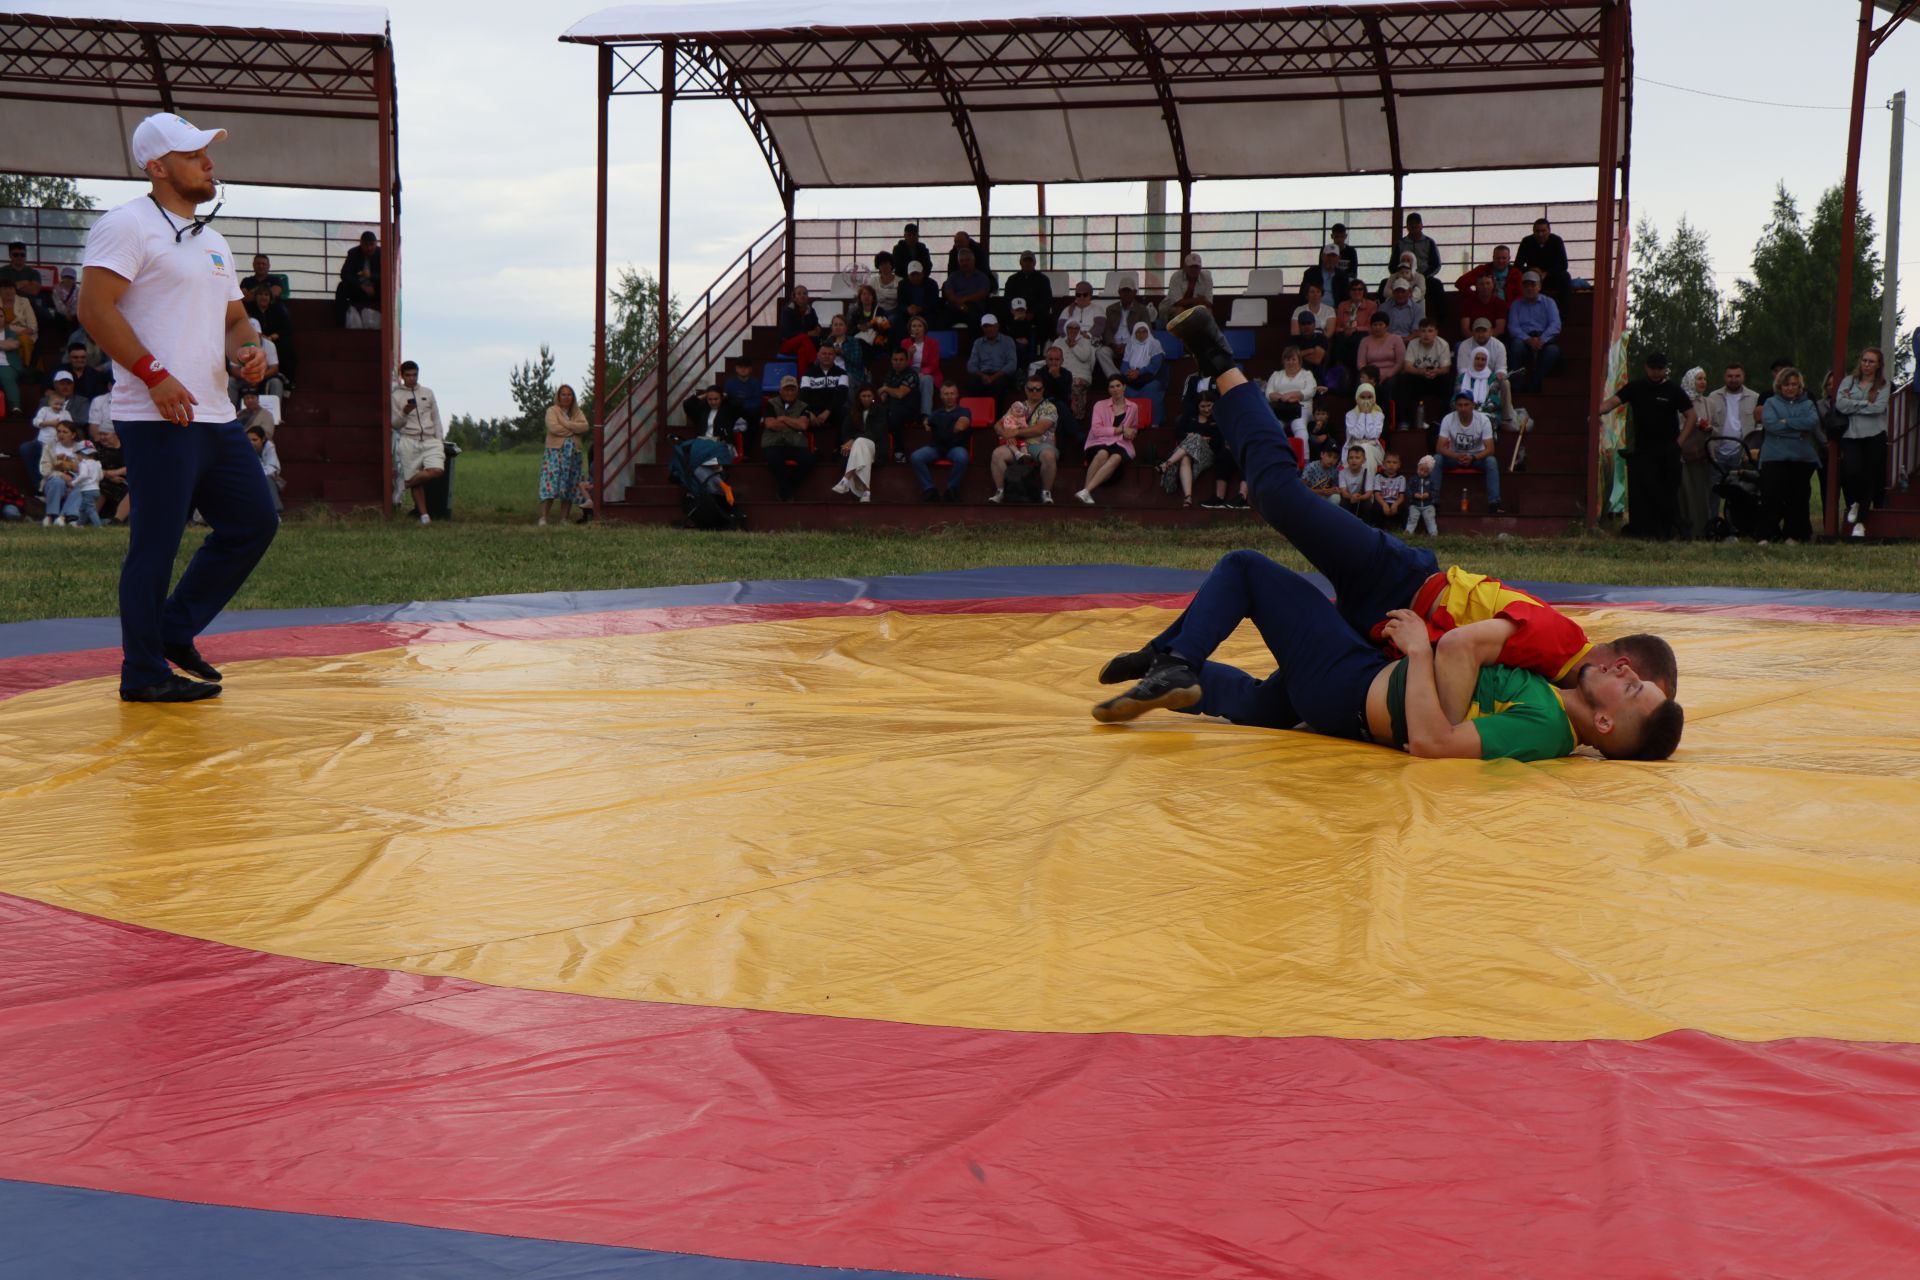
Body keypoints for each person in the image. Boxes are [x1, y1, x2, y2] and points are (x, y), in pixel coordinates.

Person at [1099, 306, 1684, 759]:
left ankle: (1171, 664)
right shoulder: (1560, 644)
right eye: (1632, 674)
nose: (1621, 675)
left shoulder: (1555, 705)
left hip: (1386, 637)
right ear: (1621, 655)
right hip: (1400, 587)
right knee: (1279, 496)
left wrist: (1419, 675)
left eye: (1632, 689)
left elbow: (1445, 711)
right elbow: (1457, 660)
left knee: (1274, 703)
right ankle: (1218, 359)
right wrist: (1422, 671)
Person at [78, 111, 278, 702]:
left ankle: (172, 629)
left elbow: (234, 320)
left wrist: (249, 352)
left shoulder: (213, 241)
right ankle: (142, 674)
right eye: (194, 155)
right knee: (156, 543)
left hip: (214, 413)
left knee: (253, 523)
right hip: (156, 414)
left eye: (206, 153)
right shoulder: (127, 225)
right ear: (158, 167)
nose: (209, 163)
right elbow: (95, 309)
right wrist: (154, 375)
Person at [1595, 351, 1692, 540]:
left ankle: (1671, 530)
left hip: (1668, 451)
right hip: (1644, 451)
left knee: (1668, 492)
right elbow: (1611, 403)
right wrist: (1595, 412)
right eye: (1652, 368)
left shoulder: (1674, 390)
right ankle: (1645, 531)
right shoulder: (1635, 387)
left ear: (1665, 369)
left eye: (1660, 369)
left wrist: (1679, 442)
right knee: (1646, 491)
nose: (1656, 372)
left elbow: (1691, 416)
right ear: (1646, 368)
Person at [1757, 366, 1820, 544]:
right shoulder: (1770, 403)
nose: (1790, 388)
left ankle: (1793, 535)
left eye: (1794, 384)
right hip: (1774, 457)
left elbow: (1811, 422)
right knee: (1771, 495)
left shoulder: (1808, 404)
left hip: (1801, 458)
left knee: (1797, 497)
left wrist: (1786, 422)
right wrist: (1797, 430)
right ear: (1780, 386)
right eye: (1786, 385)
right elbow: (1770, 425)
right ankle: (1766, 534)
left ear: (1799, 386)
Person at [1834, 346, 1890, 538]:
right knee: (1850, 471)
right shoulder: (1849, 382)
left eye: (1871, 361)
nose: (1867, 364)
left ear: (1878, 365)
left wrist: (1854, 404)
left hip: (1874, 435)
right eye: (1864, 360)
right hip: (1851, 434)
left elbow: (1879, 408)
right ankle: (1853, 503)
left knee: (1869, 476)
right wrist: (1866, 403)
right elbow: (1840, 404)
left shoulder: (1883, 384)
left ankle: (1861, 521)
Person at [987, 379, 1059, 506]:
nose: (1034, 392)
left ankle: (1046, 493)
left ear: (1043, 390)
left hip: (1040, 445)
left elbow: (1040, 429)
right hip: (1017, 445)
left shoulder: (1049, 407)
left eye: (1038, 389)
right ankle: (1001, 491)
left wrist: (1015, 432)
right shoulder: (1017, 406)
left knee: (1049, 455)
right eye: (1031, 389)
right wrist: (1006, 434)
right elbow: (998, 425)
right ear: (1025, 390)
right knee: (997, 454)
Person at [390, 361, 445, 524]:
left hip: (430, 439)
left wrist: (439, 440)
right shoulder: (396, 396)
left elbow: (436, 417)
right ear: (402, 375)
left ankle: (403, 484)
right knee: (417, 481)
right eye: (408, 375)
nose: (412, 378)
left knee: (437, 470)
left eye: (415, 375)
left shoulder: (427, 392)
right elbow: (395, 424)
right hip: (409, 439)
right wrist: (404, 413)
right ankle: (424, 516)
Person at [1437, 391, 1502, 514]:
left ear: (1473, 405)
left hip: (1476, 457)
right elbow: (1440, 447)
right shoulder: (1448, 419)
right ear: (1455, 406)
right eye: (1459, 405)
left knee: (1491, 461)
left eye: (1466, 405)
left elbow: (1490, 449)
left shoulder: (1483, 420)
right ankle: (1433, 501)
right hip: (1455, 456)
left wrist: (1473, 457)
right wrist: (1457, 456)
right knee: (1437, 459)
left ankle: (1494, 503)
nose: (1462, 408)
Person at [1079, 375, 1138, 505]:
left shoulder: (1133, 407)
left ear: (1124, 387)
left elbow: (1133, 427)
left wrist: (1131, 432)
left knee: (1117, 457)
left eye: (1118, 386)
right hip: (1098, 442)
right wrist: (1120, 430)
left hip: (1120, 443)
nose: (1115, 389)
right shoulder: (1099, 405)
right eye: (1112, 387)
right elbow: (1096, 430)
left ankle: (1086, 490)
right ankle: (1086, 491)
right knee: (1102, 453)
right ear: (1108, 390)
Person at [1675, 366, 1717, 541]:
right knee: (1684, 493)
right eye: (1699, 379)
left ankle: (1700, 530)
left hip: (1702, 454)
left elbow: (1716, 427)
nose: (1703, 382)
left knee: (1701, 493)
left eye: (1705, 379)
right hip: (1683, 455)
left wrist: (1708, 427)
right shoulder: (1679, 402)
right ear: (1690, 381)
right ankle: (1682, 530)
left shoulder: (1709, 403)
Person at [912, 382, 973, 502]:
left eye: (952, 394)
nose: (949, 397)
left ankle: (951, 489)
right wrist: (931, 423)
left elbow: (961, 426)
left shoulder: (964, 411)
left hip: (955, 447)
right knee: (916, 457)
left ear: (957, 395)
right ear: (941, 396)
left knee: (962, 457)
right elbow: (927, 423)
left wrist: (940, 426)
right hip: (937, 447)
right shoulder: (935, 413)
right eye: (946, 394)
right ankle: (929, 489)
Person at [1159, 390, 1219, 509]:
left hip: (1207, 455)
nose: (1206, 409)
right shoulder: (1189, 416)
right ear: (1197, 406)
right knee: (1185, 457)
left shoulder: (1218, 418)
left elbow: (1220, 441)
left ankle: (1166, 464)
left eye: (1209, 405)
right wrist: (1188, 436)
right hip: (1187, 452)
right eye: (1203, 406)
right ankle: (1188, 497)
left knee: (1196, 437)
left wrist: (1203, 439)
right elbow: (1179, 433)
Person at [540, 383, 590, 525]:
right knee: (550, 484)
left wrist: (565, 424)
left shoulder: (577, 412)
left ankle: (564, 518)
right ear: (558, 396)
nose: (566, 397)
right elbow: (554, 428)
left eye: (569, 394)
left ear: (573, 397)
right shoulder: (552, 411)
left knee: (569, 484)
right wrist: (573, 430)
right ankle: (543, 518)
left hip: (573, 453)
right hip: (555, 453)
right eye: (563, 394)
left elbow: (585, 426)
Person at [761, 375, 815, 501]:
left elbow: (802, 425)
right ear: (780, 390)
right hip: (774, 443)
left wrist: (783, 418)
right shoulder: (771, 404)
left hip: (796, 443)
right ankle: (787, 491)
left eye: (792, 389)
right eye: (786, 389)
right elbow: (771, 424)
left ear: (797, 391)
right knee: (773, 459)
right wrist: (793, 424)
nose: (789, 392)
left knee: (809, 459)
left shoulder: (804, 406)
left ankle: (786, 489)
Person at [1506, 271, 1562, 391]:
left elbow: (1555, 324)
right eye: (1526, 285)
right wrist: (1528, 339)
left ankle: (1534, 383)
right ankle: (1515, 385)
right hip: (1524, 339)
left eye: (1533, 284)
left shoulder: (1549, 302)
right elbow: (1513, 327)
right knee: (1516, 346)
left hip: (1544, 339)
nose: (1529, 288)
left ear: (1539, 286)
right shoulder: (1516, 305)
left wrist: (1541, 340)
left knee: (1553, 351)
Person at [830, 385, 887, 503]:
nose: (866, 398)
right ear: (859, 398)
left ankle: (845, 480)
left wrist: (854, 440)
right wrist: (849, 441)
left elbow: (876, 432)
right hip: (859, 449)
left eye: (869, 396)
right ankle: (867, 492)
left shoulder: (881, 410)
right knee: (860, 445)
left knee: (860, 442)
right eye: (863, 396)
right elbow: (845, 432)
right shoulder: (852, 412)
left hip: (875, 446)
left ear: (873, 397)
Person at [1397, 318, 1453, 431]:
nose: (1426, 334)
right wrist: (1421, 371)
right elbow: (1407, 367)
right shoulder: (1413, 344)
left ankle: (1443, 421)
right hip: (1419, 378)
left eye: (1430, 331)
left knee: (1447, 381)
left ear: (1436, 332)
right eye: (1423, 331)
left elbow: (1446, 368)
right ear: (1418, 332)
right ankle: (1404, 421)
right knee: (1404, 380)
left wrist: (1436, 371)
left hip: (1436, 377)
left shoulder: (1443, 344)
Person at [244, 278, 296, 386]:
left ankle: (286, 380)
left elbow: (286, 327)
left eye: (266, 295)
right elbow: (247, 326)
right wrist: (262, 337)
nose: (263, 297)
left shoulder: (278, 308)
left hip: (275, 338)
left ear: (270, 298)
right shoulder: (250, 309)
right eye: (260, 295)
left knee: (286, 347)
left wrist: (272, 337)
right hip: (256, 339)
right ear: (256, 297)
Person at [965, 313, 1019, 413]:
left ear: (997, 326)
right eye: (986, 326)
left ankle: (996, 416)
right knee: (973, 382)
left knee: (999, 384)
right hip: (983, 374)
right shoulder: (978, 343)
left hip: (1001, 374)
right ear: (982, 328)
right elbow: (971, 365)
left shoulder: (1007, 341)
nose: (989, 329)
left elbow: (1012, 364)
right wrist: (982, 376)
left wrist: (993, 377)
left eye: (991, 326)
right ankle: (975, 415)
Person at [799, 343, 850, 446]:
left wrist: (827, 411)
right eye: (824, 353)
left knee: (846, 415)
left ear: (835, 356)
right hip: (813, 410)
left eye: (830, 354)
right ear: (818, 355)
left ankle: (839, 448)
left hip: (833, 410)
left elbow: (841, 396)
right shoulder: (808, 374)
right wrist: (809, 412)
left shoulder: (842, 373)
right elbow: (803, 396)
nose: (827, 356)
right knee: (802, 415)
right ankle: (812, 448)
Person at [1114, 321, 1166, 423]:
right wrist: (1128, 373)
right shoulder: (1130, 343)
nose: (1141, 334)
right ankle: (1127, 422)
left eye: (1144, 331)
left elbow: (1155, 365)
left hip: (1149, 377)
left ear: (1148, 332)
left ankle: (1153, 422)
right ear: (1134, 333)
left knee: (1151, 388)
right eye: (1138, 332)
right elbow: (1124, 364)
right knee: (1122, 388)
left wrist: (1139, 372)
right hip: (1132, 376)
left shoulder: (1154, 343)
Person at [1098, 282, 1152, 377]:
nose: (1126, 294)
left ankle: (1129, 378)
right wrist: (1113, 344)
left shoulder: (1142, 310)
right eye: (1124, 291)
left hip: (1133, 345)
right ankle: (1116, 377)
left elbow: (1147, 332)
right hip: (1114, 346)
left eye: (1129, 291)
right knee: (1101, 352)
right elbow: (1107, 330)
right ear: (1119, 292)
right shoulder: (1110, 309)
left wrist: (1128, 345)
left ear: (1134, 292)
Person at [39, 419, 86, 525]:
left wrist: (74, 473)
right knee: (57, 482)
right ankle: (51, 515)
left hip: (75, 481)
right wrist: (61, 475)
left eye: (65, 432)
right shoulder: (50, 446)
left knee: (82, 486)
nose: (61, 434)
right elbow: (45, 471)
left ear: (73, 435)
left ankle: (67, 517)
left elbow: (87, 470)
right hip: (53, 481)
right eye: (59, 431)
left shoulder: (81, 448)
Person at [1263, 347, 1315, 442]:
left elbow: (1310, 391)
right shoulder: (1276, 375)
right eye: (1287, 360)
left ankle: (1304, 456)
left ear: (1299, 361)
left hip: (1301, 408)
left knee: (1298, 425)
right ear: (1283, 361)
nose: (1290, 362)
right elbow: (1268, 394)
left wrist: (1292, 395)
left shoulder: (1307, 374)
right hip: (1280, 408)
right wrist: (1283, 398)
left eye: (1293, 359)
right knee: (1274, 427)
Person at [1515, 218, 1571, 297]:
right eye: (1537, 231)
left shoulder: (1556, 241)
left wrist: (1547, 273)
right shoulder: (1527, 241)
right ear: (1533, 231)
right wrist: (1531, 269)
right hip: (1532, 275)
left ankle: (1563, 309)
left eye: (1543, 231)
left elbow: (1563, 265)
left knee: (1565, 277)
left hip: (1551, 275)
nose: (1540, 234)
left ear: (1549, 230)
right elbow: (1517, 265)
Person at [877, 345, 921, 445]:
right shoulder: (890, 374)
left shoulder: (912, 375)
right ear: (891, 361)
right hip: (891, 407)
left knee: (894, 415)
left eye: (901, 360)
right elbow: (882, 396)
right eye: (895, 359)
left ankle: (899, 451)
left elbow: (900, 394)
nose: (898, 362)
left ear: (906, 361)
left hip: (909, 409)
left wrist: (885, 389)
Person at [900, 313, 943, 417]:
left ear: (924, 328)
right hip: (909, 372)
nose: (917, 329)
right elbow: (901, 365)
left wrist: (921, 372)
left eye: (920, 326)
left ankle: (926, 414)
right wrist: (909, 354)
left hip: (928, 372)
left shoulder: (933, 343)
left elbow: (934, 364)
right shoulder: (905, 343)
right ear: (910, 329)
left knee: (927, 379)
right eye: (914, 326)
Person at [335, 230, 380, 326]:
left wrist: (371, 276)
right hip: (358, 289)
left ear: (376, 244)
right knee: (341, 287)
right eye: (366, 245)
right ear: (361, 244)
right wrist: (360, 285)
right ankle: (340, 324)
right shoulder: (353, 253)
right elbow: (344, 274)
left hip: (376, 290)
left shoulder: (383, 254)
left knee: (387, 289)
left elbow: (387, 276)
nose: (369, 248)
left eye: (372, 245)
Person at [1332, 277, 1377, 370]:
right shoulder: (1342, 305)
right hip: (1344, 334)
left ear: (1364, 291)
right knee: (1339, 338)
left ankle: (1355, 369)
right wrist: (1346, 330)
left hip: (1362, 334)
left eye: (1360, 289)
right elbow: (1337, 327)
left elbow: (1371, 326)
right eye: (1354, 289)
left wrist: (1355, 329)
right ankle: (1341, 370)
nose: (1357, 292)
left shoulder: (1371, 305)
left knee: (1357, 340)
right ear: (1349, 292)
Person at [1343, 383, 1387, 479]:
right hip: (1353, 447)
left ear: (1374, 398)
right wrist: (1362, 414)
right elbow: (1358, 435)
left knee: (1366, 448)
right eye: (1363, 397)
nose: (1366, 401)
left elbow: (1372, 435)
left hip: (1373, 448)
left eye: (1369, 397)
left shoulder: (1379, 415)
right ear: (1357, 398)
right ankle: (1364, 485)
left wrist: (1369, 414)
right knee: (1363, 448)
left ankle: (1366, 485)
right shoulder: (1350, 415)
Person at [1455, 272, 1511, 346]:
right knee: (1458, 346)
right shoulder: (1467, 303)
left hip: (1493, 341)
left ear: (1493, 285)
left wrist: (1484, 339)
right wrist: (1478, 340)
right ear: (1476, 286)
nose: (1485, 287)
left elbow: (1499, 329)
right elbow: (1465, 330)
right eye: (1481, 284)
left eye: (1488, 283)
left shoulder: (1500, 304)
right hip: (1472, 340)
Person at [1454, 244, 1523, 303]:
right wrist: (1474, 297)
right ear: (1493, 258)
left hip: (1509, 309)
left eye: (1504, 258)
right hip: (1485, 309)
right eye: (1498, 258)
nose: (1501, 261)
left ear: (1509, 259)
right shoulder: (1482, 269)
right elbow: (1460, 283)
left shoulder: (1516, 273)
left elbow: (1520, 295)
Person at [942, 248, 992, 329]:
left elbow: (982, 294)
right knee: (942, 318)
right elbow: (949, 293)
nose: (964, 263)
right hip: (955, 306)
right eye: (962, 261)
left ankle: (974, 342)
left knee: (976, 319)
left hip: (974, 307)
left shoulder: (982, 277)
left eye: (967, 260)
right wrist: (959, 304)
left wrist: (964, 300)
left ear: (973, 261)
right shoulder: (953, 276)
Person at [721, 357, 762, 454]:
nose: (743, 369)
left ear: (750, 369)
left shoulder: (755, 383)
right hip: (733, 412)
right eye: (740, 367)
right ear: (736, 368)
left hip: (749, 413)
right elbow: (726, 400)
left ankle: (747, 452)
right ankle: (729, 448)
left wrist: (741, 405)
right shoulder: (730, 383)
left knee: (754, 420)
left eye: (746, 367)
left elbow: (757, 403)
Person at [1159, 252, 1214, 321]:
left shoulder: (1207, 277)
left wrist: (1201, 302)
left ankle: (1206, 331)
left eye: (1196, 267)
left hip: (1196, 308)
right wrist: (1198, 300)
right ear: (1185, 267)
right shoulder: (1176, 277)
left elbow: (1209, 303)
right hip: (1171, 307)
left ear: (1200, 268)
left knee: (1207, 311)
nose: (1194, 270)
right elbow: (1177, 302)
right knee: (1181, 310)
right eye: (1191, 267)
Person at [1005, 250, 1053, 326]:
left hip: (1037, 314)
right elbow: (1007, 298)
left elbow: (1047, 300)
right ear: (1020, 263)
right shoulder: (1012, 279)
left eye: (1030, 261)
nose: (1028, 263)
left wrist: (1032, 313)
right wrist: (1015, 311)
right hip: (1016, 312)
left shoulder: (1043, 279)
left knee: (1046, 318)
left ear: (1034, 263)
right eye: (1025, 261)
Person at [246, 422, 282, 519]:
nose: (251, 443)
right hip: (249, 479)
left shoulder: (269, 447)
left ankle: (275, 514)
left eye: (254, 440)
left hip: (267, 479)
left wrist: (258, 475)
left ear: (263, 439)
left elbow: (274, 468)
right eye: (248, 440)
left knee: (267, 480)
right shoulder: (244, 449)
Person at [1365, 452, 1407, 530]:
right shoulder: (1378, 476)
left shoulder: (1401, 478)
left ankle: (1402, 528)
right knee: (1375, 508)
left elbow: (1401, 497)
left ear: (1399, 465)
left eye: (1394, 463)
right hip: (1382, 501)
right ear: (1383, 464)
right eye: (1388, 462)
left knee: (1404, 508)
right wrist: (1384, 505)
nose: (1391, 465)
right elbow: (1377, 495)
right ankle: (1378, 528)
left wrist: (1395, 504)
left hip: (1395, 502)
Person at [896, 261, 939, 333]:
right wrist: (907, 309)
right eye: (912, 275)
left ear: (923, 274)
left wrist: (920, 309)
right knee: (898, 322)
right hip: (908, 315)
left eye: (918, 274)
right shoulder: (902, 284)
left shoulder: (932, 284)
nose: (915, 277)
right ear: (908, 275)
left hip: (926, 313)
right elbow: (900, 303)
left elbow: (934, 303)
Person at [1405, 454, 1439, 535]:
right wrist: (1413, 495)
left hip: (1428, 505)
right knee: (1412, 519)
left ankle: (1433, 534)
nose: (1422, 472)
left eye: (1426, 471)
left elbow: (1435, 491)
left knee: (1430, 519)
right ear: (1418, 467)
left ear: (1429, 472)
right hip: (1414, 504)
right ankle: (1408, 532)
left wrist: (1429, 494)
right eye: (1421, 469)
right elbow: (1408, 489)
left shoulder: (1431, 481)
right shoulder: (1413, 479)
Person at [1335, 444, 1371, 514]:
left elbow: (1368, 493)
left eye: (1357, 458)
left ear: (1364, 460)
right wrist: (1352, 497)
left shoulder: (1367, 473)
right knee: (1343, 503)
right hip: (1348, 498)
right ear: (1347, 460)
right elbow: (1344, 492)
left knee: (1368, 505)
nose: (1354, 460)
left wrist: (1358, 498)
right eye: (1351, 458)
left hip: (1361, 498)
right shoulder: (1342, 473)